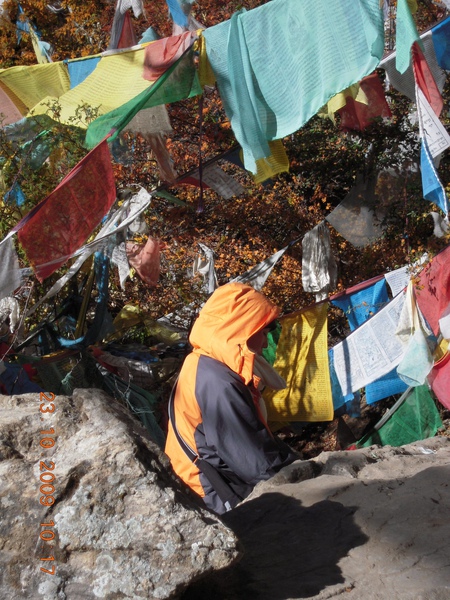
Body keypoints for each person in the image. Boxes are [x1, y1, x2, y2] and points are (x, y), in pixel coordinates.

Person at [165, 282, 298, 515]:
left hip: (203, 486)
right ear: (241, 330)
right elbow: (256, 463)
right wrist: (303, 473)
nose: (266, 343)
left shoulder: (202, 363)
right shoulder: (219, 384)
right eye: (263, 333)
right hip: (216, 493)